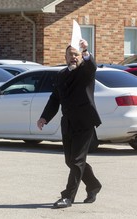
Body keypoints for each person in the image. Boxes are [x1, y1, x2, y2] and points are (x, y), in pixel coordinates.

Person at [37, 39, 102, 208]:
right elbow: (55, 98)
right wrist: (44, 117)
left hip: (85, 122)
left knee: (77, 160)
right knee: (70, 161)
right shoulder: (60, 75)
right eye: (70, 55)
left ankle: (68, 197)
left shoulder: (85, 72)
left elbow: (92, 66)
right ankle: (94, 184)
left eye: (76, 55)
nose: (73, 57)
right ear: (65, 57)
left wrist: (86, 51)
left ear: (81, 56)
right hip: (68, 123)